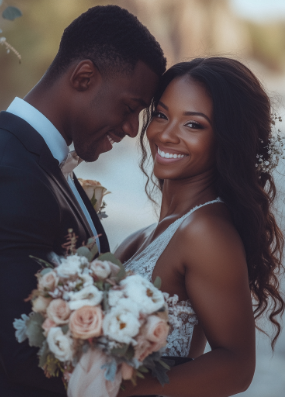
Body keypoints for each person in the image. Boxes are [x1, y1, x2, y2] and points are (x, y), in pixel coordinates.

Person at [0, 5, 166, 397]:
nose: (131, 128)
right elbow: (25, 357)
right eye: (129, 108)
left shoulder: (40, 162)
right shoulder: (5, 175)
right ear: (84, 77)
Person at [115, 57, 285, 397]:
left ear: (227, 140)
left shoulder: (205, 230)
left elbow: (236, 368)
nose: (166, 133)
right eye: (161, 115)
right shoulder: (154, 232)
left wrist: (114, 390)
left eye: (193, 125)